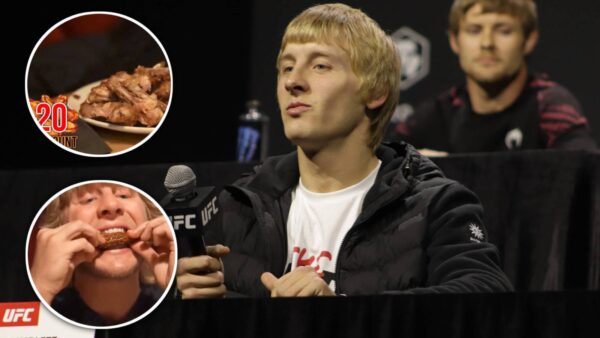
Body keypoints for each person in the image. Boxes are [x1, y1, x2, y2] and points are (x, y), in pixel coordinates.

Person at [176, 3, 512, 298]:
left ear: (375, 91)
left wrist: (340, 310)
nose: (294, 81)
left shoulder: (435, 206)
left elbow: (486, 294)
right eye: (287, 67)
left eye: (320, 66)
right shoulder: (238, 205)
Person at [390, 0, 596, 154]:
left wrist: (450, 172)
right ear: (454, 40)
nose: (487, 43)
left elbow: (586, 175)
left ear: (529, 40)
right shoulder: (435, 115)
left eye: (503, 30)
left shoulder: (549, 107)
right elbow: (381, 175)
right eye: (474, 30)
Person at [30, 182, 175, 326]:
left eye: (124, 195)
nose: (112, 205)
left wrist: (175, 288)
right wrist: (41, 290)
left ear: (149, 217)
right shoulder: (47, 307)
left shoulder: (174, 308)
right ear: (59, 227)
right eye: (89, 199)